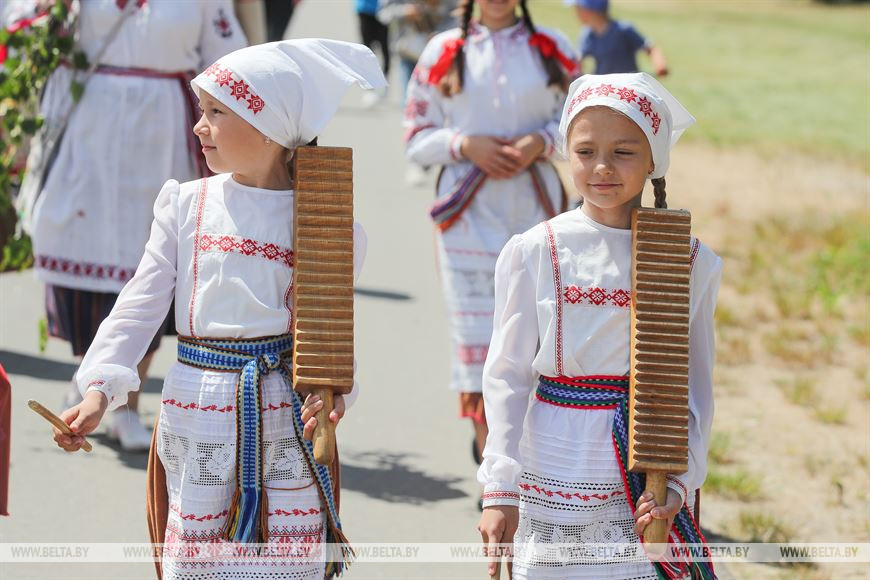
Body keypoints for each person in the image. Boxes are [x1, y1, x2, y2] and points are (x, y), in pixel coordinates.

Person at [50, 39, 387, 579]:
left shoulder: (328, 222)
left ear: (268, 125)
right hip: (196, 409)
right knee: (199, 559)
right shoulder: (186, 204)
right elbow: (139, 304)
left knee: (286, 559)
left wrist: (331, 390)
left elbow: (329, 330)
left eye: (215, 113)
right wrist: (100, 390)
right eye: (200, 111)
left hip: (282, 413)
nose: (198, 127)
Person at [476, 72, 720, 578]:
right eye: (585, 151)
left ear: (654, 159)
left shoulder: (687, 260)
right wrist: (500, 488)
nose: (602, 167)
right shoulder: (536, 250)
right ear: (566, 151)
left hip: (641, 459)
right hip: (552, 454)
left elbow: (694, 386)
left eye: (625, 152)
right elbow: (507, 374)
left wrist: (676, 481)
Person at [16, 0, 246, 451]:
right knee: (80, 245)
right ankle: (95, 380)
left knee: (157, 262)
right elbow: (20, 24)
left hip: (161, 126)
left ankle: (128, 402)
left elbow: (229, 59)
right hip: (87, 118)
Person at [404, 0, 578, 506]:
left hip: (537, 212)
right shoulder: (444, 51)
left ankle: (533, 462)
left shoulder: (552, 48)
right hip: (467, 218)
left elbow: (585, 130)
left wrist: (540, 142)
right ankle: (494, 471)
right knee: (480, 339)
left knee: (534, 336)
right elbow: (416, 138)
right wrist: (464, 144)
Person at [377, 0, 456, 106]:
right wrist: (405, 11)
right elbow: (383, 13)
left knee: (438, 104)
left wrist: (438, 35)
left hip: (439, 56)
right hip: (408, 51)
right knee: (410, 102)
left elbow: (455, 15)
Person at [569, 0, 667, 76]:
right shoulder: (587, 34)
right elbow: (579, 59)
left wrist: (659, 64)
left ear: (592, 11)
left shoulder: (623, 29)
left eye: (579, 9)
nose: (576, 12)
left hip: (628, 85)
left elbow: (650, 48)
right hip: (604, 86)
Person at [356, 0, 391, 107]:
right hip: (365, 9)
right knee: (366, 50)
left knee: (385, 49)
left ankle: (384, 83)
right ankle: (369, 86)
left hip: (384, 10)